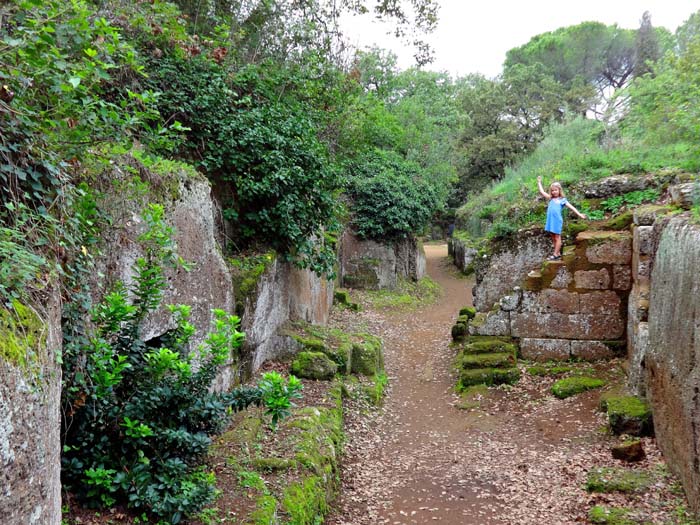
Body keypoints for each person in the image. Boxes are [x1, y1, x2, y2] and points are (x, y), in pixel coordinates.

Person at [537, 176, 586, 260]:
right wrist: (539, 182)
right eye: (552, 190)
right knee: (553, 236)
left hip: (557, 220)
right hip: (550, 220)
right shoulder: (551, 198)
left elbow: (572, 207)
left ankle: (555, 254)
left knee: (557, 237)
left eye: (556, 190)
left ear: (559, 190)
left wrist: (579, 214)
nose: (554, 192)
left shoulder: (562, 200)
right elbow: (542, 192)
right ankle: (558, 252)